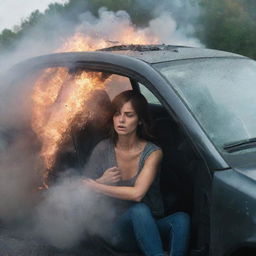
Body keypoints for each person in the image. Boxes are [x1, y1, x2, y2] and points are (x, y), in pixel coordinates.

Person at [83, 90, 190, 256]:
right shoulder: (103, 149)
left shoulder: (153, 153)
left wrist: (97, 186)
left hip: (149, 227)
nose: (121, 120)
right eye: (117, 114)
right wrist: (101, 181)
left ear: (140, 120)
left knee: (181, 219)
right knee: (139, 211)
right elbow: (80, 190)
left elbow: (137, 194)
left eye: (129, 115)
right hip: (116, 232)